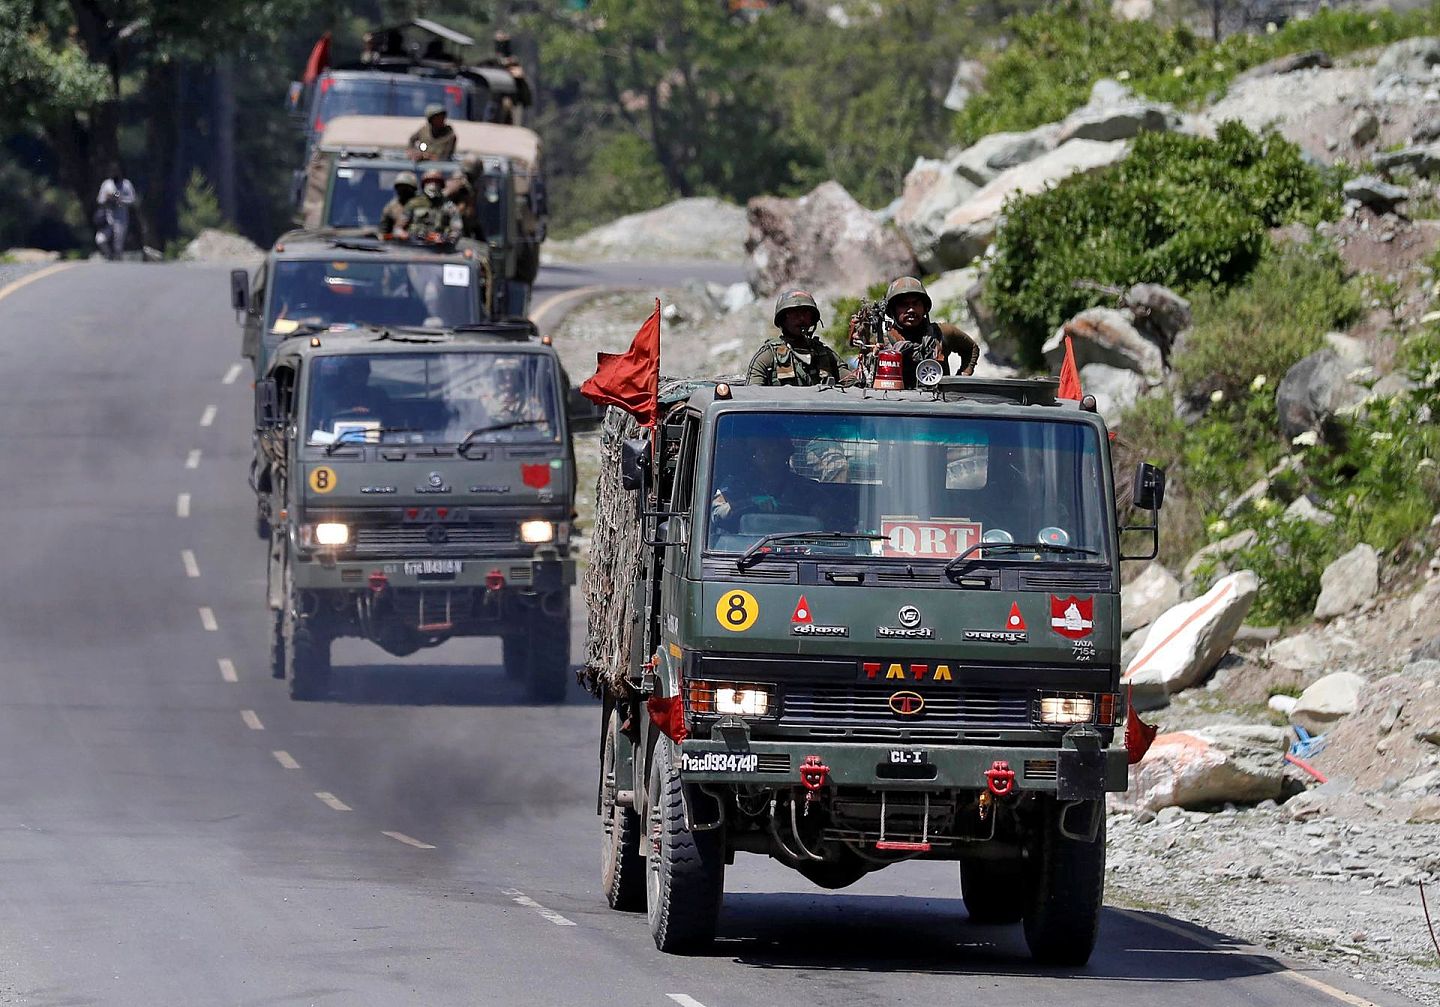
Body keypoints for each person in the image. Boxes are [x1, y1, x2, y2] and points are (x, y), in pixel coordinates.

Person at [849, 276, 981, 386]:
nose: (911, 310)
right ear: (893, 311)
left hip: (938, 406)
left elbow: (971, 348)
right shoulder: (880, 342)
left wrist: (961, 379)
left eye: (916, 304)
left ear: (924, 308)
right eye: (904, 305)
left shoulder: (942, 333)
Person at [746, 289, 850, 387]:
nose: (801, 318)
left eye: (806, 313)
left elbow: (851, 382)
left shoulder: (824, 354)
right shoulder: (768, 356)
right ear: (783, 319)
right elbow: (753, 395)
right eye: (795, 313)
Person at [401, 168, 463, 242]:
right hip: (415, 245)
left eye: (436, 182)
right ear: (424, 184)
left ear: (441, 185)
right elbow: (400, 226)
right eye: (429, 182)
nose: (433, 185)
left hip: (440, 247)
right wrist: (402, 234)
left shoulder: (449, 205)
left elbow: (457, 228)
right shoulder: (413, 203)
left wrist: (449, 238)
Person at [95, 164, 136, 261]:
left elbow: (132, 199)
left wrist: (120, 200)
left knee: (118, 244)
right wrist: (107, 199)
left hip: (121, 218)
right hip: (108, 218)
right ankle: (108, 255)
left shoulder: (126, 184)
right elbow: (100, 199)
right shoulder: (107, 184)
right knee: (100, 239)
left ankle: (117, 261)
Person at [379, 170, 418, 238]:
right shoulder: (391, 207)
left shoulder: (422, 204)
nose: (403, 191)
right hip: (396, 244)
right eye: (401, 188)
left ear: (413, 189)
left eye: (407, 188)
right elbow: (383, 232)